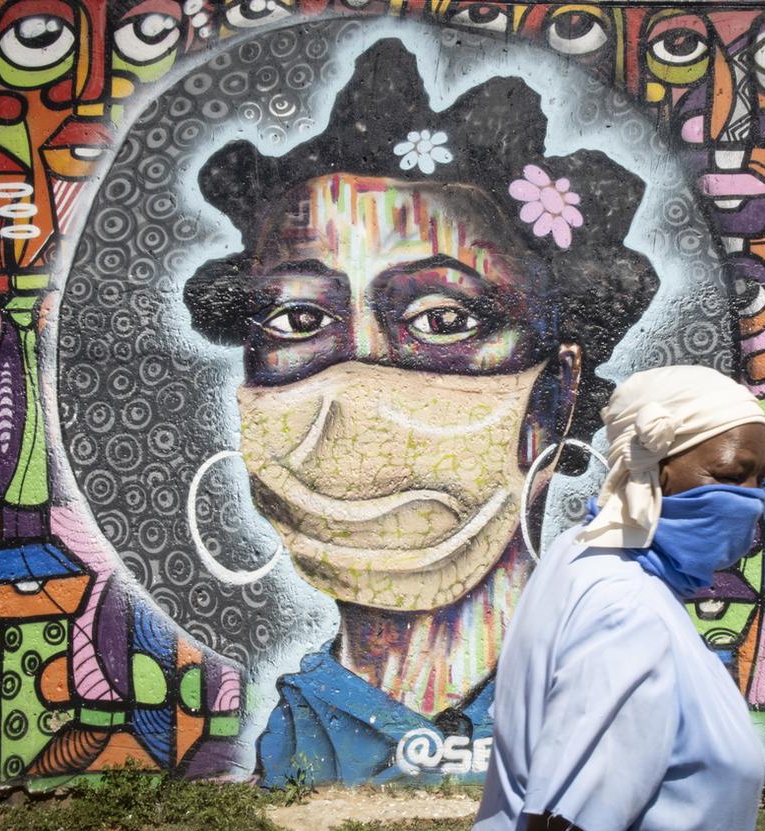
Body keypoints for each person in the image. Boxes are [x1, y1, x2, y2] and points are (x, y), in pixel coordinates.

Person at [178, 38, 660, 785]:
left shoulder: (590, 689)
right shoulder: (291, 736)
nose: (357, 391)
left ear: (557, 395)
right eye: (298, 322)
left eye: (442, 319)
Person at [451, 364, 765, 831]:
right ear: (655, 469)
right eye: (731, 475)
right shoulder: (626, 610)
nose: (751, 501)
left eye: (760, 481)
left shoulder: (579, 554)